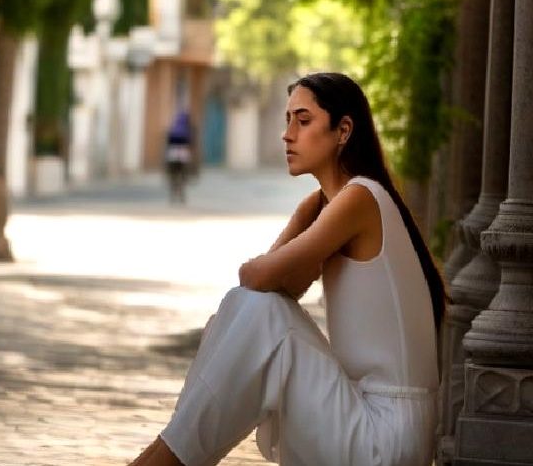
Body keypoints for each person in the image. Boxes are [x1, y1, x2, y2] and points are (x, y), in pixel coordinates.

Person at [130, 72, 446, 466]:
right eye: (287, 120)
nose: (287, 134)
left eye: (303, 120)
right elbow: (274, 289)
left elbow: (260, 279)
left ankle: (163, 458)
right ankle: (167, 454)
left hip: (387, 438)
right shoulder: (329, 204)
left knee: (259, 313)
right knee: (248, 308)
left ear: (343, 130)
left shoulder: (360, 198)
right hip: (365, 417)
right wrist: (305, 216)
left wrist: (263, 266)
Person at [165, 110, 194, 204]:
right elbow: (190, 143)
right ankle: (181, 195)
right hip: (182, 154)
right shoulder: (186, 130)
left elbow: (168, 142)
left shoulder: (173, 129)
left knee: (173, 176)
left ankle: (173, 194)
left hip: (172, 153)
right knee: (183, 175)